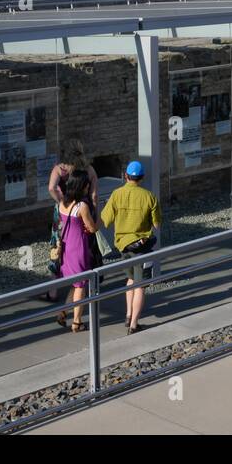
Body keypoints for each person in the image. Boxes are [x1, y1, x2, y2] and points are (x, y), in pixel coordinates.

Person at [100, 160, 162, 335]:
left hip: (123, 247)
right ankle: (134, 324)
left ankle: (128, 315)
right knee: (140, 285)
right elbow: (156, 225)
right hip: (141, 248)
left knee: (130, 280)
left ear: (126, 176)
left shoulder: (116, 194)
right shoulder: (149, 197)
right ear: (142, 178)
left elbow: (105, 219)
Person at [45, 139, 99, 302]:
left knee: (59, 247)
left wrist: (61, 200)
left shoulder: (60, 169)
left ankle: (53, 291)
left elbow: (51, 188)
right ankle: (86, 286)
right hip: (83, 209)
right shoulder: (88, 169)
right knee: (86, 246)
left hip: (63, 211)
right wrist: (93, 211)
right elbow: (94, 195)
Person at [54, 170, 98, 333]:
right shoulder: (82, 206)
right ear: (83, 186)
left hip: (66, 247)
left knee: (75, 283)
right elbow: (92, 228)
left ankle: (63, 312)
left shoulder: (62, 203)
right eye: (87, 185)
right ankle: (77, 322)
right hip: (79, 247)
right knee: (81, 285)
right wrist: (97, 217)